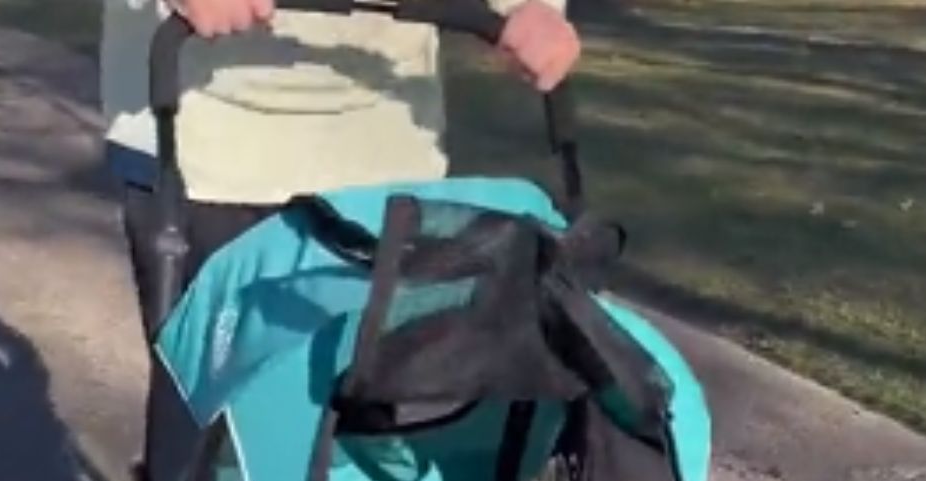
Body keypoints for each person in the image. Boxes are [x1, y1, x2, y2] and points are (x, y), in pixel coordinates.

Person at [102, 0, 580, 328]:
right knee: (217, 434)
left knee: (374, 425)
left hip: (385, 151)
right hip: (206, 142)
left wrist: (535, 9)